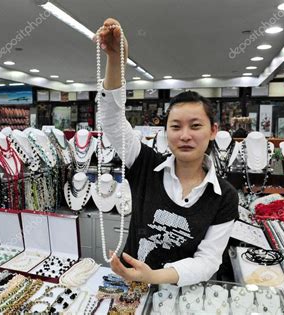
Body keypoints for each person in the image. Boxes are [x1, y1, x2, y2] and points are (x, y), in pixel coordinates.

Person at [96, 18, 239, 287]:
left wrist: (154, 276)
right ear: (165, 131)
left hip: (181, 295)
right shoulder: (144, 164)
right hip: (130, 288)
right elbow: (112, 120)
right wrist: (115, 59)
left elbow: (207, 260)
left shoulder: (225, 197)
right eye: (176, 126)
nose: (185, 135)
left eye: (195, 126)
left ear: (213, 130)